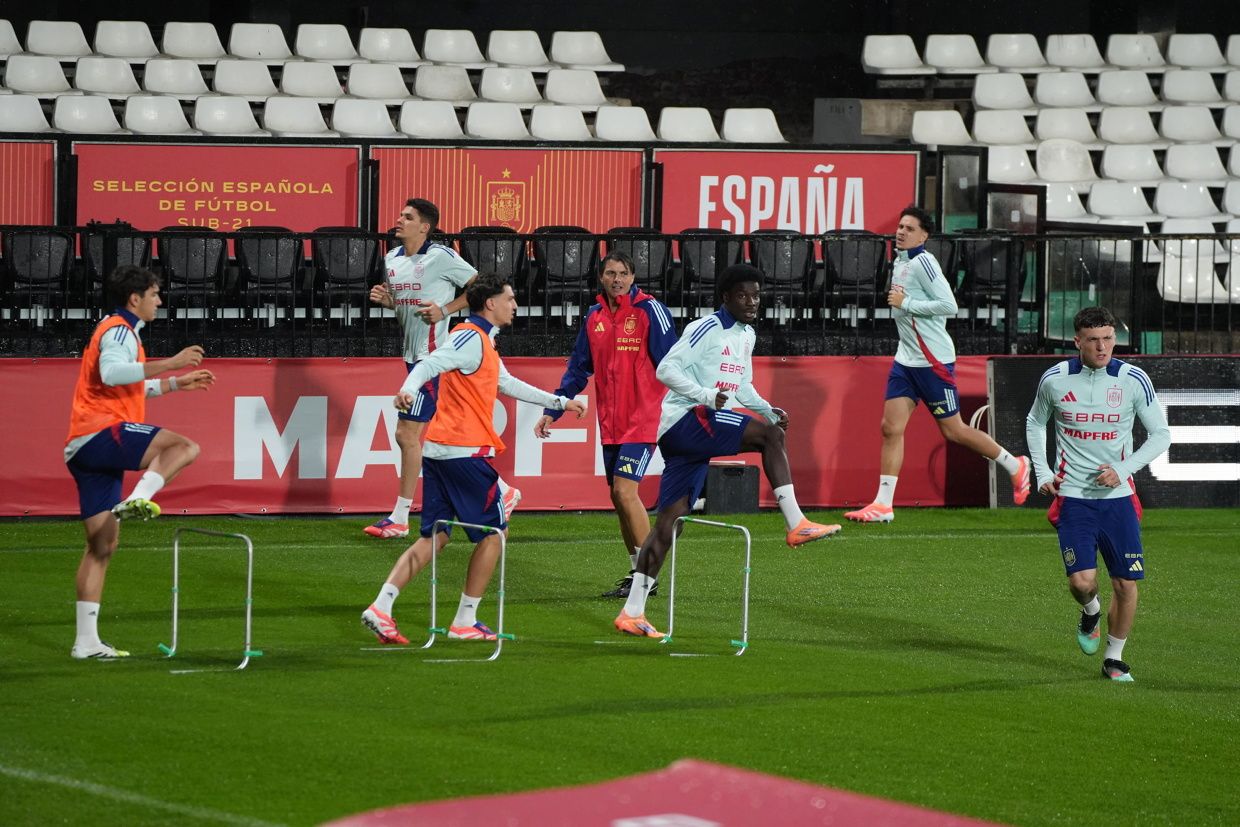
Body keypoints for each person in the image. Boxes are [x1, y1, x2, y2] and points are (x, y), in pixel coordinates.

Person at [613, 264, 841, 638]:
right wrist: (706, 396)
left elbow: (743, 386)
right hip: (685, 419)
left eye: (756, 296)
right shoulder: (706, 327)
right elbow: (665, 369)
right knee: (770, 438)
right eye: (743, 295)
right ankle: (796, 523)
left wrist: (768, 409)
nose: (752, 302)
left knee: (672, 521)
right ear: (725, 297)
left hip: (694, 428)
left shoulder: (747, 334)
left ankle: (632, 611)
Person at [362, 275, 587, 644]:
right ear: (491, 304)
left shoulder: (483, 342)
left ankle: (381, 606)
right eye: (510, 298)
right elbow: (428, 363)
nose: (515, 305)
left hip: (442, 451)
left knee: (435, 537)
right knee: (495, 533)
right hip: (462, 452)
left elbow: (508, 384)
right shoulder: (470, 337)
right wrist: (407, 388)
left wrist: (559, 402)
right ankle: (465, 620)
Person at [64, 265, 215, 660]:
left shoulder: (119, 331)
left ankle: (86, 643)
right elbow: (113, 374)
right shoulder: (119, 330)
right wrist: (173, 363)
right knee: (184, 447)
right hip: (100, 432)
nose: (159, 301)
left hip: (84, 447)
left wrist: (174, 384)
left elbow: (127, 383)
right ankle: (140, 497)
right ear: (136, 298)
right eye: (154, 294)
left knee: (102, 545)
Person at [844, 205, 1030, 523]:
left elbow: (949, 305)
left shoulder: (924, 262)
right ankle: (883, 505)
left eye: (909, 228)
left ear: (924, 235)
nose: (901, 231)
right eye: (900, 226)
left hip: (933, 362)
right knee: (890, 429)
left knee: (954, 431)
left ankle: (1016, 465)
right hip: (906, 359)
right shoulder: (900, 262)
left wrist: (908, 303)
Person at [1025, 306, 1170, 682]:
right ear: (1077, 341)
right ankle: (1090, 610)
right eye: (1094, 340)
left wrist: (1122, 470)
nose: (1103, 346)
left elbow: (1161, 436)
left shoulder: (1133, 379)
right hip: (1073, 497)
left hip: (1119, 499)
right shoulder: (1055, 380)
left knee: (1126, 583)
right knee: (1082, 582)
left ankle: (1114, 658)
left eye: (1108, 338)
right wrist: (1042, 471)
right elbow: (1035, 421)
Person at [364, 198, 519, 539]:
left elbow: (484, 288)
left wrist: (446, 309)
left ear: (425, 227)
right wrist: (391, 302)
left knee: (407, 434)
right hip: (411, 356)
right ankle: (502, 490)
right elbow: (409, 303)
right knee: (438, 438)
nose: (399, 220)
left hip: (433, 358)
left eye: (407, 217)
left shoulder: (442, 257)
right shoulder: (391, 259)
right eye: (400, 214)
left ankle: (401, 516)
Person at [534, 251, 678, 598]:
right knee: (617, 496)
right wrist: (553, 409)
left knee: (626, 491)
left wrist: (686, 406)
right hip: (611, 422)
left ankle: (648, 577)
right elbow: (578, 368)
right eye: (611, 273)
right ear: (601, 278)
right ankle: (636, 571)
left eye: (624, 274)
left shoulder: (649, 311)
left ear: (633, 277)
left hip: (643, 419)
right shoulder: (594, 316)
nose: (617, 279)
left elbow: (673, 362)